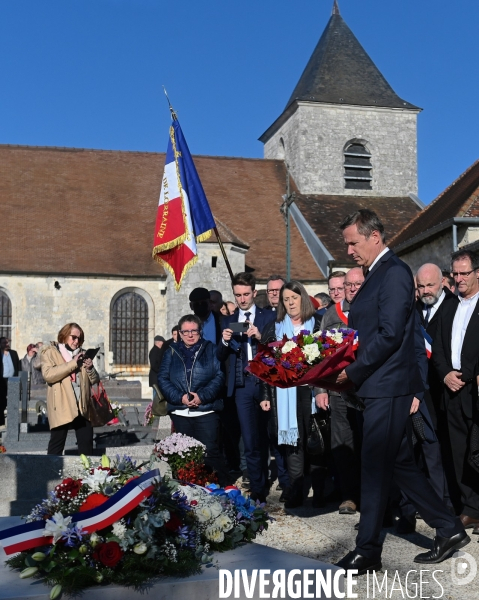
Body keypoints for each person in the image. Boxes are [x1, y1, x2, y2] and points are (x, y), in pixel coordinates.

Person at [327, 209, 466, 574]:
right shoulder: (376, 276)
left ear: (375, 236)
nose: (349, 251)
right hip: (376, 386)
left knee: (373, 466)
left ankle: (368, 550)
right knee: (400, 464)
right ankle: (449, 529)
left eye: (353, 243)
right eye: (346, 245)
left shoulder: (394, 274)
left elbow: (390, 335)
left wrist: (351, 372)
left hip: (389, 387)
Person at [393, 263, 457, 534]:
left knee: (433, 452)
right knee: (409, 453)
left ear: (442, 282)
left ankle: (444, 510)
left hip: (435, 393)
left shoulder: (455, 306)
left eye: (429, 285)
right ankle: (407, 510)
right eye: (420, 286)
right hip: (409, 391)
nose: (424, 290)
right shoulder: (411, 310)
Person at [260, 281, 325, 508]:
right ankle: (295, 489)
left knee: (314, 439)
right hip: (284, 394)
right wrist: (265, 395)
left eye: (294, 298)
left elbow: (327, 360)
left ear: (302, 299)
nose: (290, 303)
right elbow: (265, 365)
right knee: (293, 442)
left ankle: (319, 490)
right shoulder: (274, 327)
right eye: (286, 299)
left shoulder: (318, 323)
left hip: (312, 391)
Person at [217, 272, 276, 503]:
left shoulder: (268, 316)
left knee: (267, 435)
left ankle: (277, 478)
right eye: (237, 295)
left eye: (245, 294)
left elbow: (276, 348)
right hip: (242, 385)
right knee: (250, 439)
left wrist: (259, 336)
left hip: (264, 382)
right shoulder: (228, 320)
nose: (241, 299)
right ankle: (258, 488)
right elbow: (221, 355)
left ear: (254, 292)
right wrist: (224, 339)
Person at [433, 250, 479, 534]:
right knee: (459, 450)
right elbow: (437, 346)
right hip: (452, 388)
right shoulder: (448, 307)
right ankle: (471, 509)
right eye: (454, 273)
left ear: (478, 272)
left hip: (476, 388)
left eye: (464, 273)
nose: (458, 278)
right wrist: (445, 373)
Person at [315, 267, 364, 515]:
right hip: (337, 392)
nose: (349, 290)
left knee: (366, 443)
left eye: (353, 285)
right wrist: (319, 389)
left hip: (365, 391)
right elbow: (319, 356)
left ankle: (370, 496)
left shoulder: (368, 308)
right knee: (342, 444)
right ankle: (348, 496)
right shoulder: (330, 316)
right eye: (346, 286)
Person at [158, 314, 227, 481]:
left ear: (200, 331)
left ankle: (215, 489)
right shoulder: (171, 352)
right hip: (181, 412)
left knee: (210, 452)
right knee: (184, 455)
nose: (190, 335)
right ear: (180, 333)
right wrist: (180, 397)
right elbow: (163, 378)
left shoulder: (211, 349)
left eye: (193, 331)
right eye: (185, 331)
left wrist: (202, 397)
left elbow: (219, 376)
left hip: (206, 411)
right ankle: (186, 491)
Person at [41, 323, 100, 455]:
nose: (76, 341)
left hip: (82, 406)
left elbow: (94, 380)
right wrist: (73, 363)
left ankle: (86, 475)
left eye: (79, 338)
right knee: (57, 443)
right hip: (62, 404)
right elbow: (48, 375)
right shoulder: (50, 352)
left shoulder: (83, 353)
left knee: (86, 445)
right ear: (64, 336)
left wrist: (90, 368)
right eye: (73, 337)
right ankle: (49, 474)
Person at [1, 337, 20, 426]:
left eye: (7, 342)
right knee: (2, 400)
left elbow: (18, 366)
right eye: (5, 343)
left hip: (13, 380)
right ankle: (2, 421)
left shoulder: (13, 353)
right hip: (1, 380)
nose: (7, 344)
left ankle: (13, 421)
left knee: (13, 399)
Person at [149, 335, 166, 399]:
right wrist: (161, 372)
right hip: (155, 378)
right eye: (162, 342)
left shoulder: (158, 351)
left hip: (158, 377)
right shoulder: (154, 351)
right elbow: (154, 365)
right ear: (159, 342)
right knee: (156, 395)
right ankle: (154, 408)